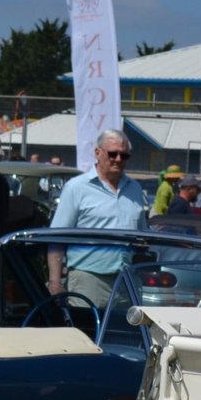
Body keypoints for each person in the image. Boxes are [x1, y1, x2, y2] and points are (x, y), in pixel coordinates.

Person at [48, 129, 147, 306]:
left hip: (127, 280)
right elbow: (56, 237)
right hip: (89, 279)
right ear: (97, 153)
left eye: (124, 156)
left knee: (124, 333)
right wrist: (55, 282)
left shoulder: (135, 189)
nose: (118, 159)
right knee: (86, 332)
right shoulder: (76, 188)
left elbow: (143, 238)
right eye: (113, 154)